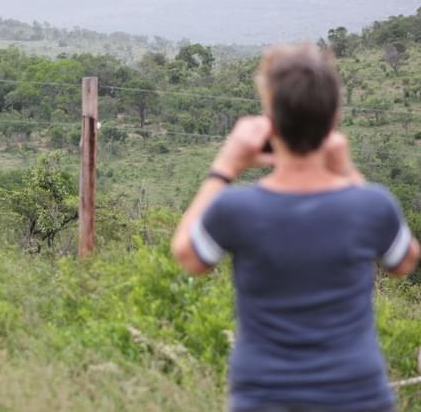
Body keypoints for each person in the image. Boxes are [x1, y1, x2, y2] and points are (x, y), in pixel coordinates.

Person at [171, 44, 419, 412]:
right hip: (357, 397)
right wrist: (348, 172)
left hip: (264, 398)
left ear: (269, 119)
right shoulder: (370, 204)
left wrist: (224, 168)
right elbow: (405, 261)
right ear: (333, 120)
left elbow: (187, 255)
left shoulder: (237, 208)